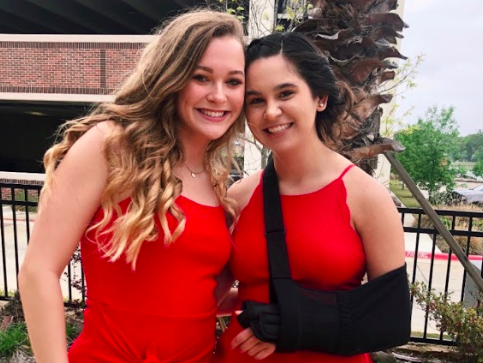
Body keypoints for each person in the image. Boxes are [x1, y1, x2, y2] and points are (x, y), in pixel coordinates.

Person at [18, 10, 246, 363]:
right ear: (172, 76)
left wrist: (273, 301)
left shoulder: (215, 177)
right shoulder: (111, 145)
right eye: (202, 77)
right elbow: (38, 271)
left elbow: (192, 297)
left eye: (233, 82)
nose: (219, 96)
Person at [215, 32, 406, 362]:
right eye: (256, 100)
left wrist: (294, 323)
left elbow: (391, 318)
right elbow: (212, 294)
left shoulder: (366, 197)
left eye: (285, 93)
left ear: (320, 98)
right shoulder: (239, 196)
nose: (271, 112)